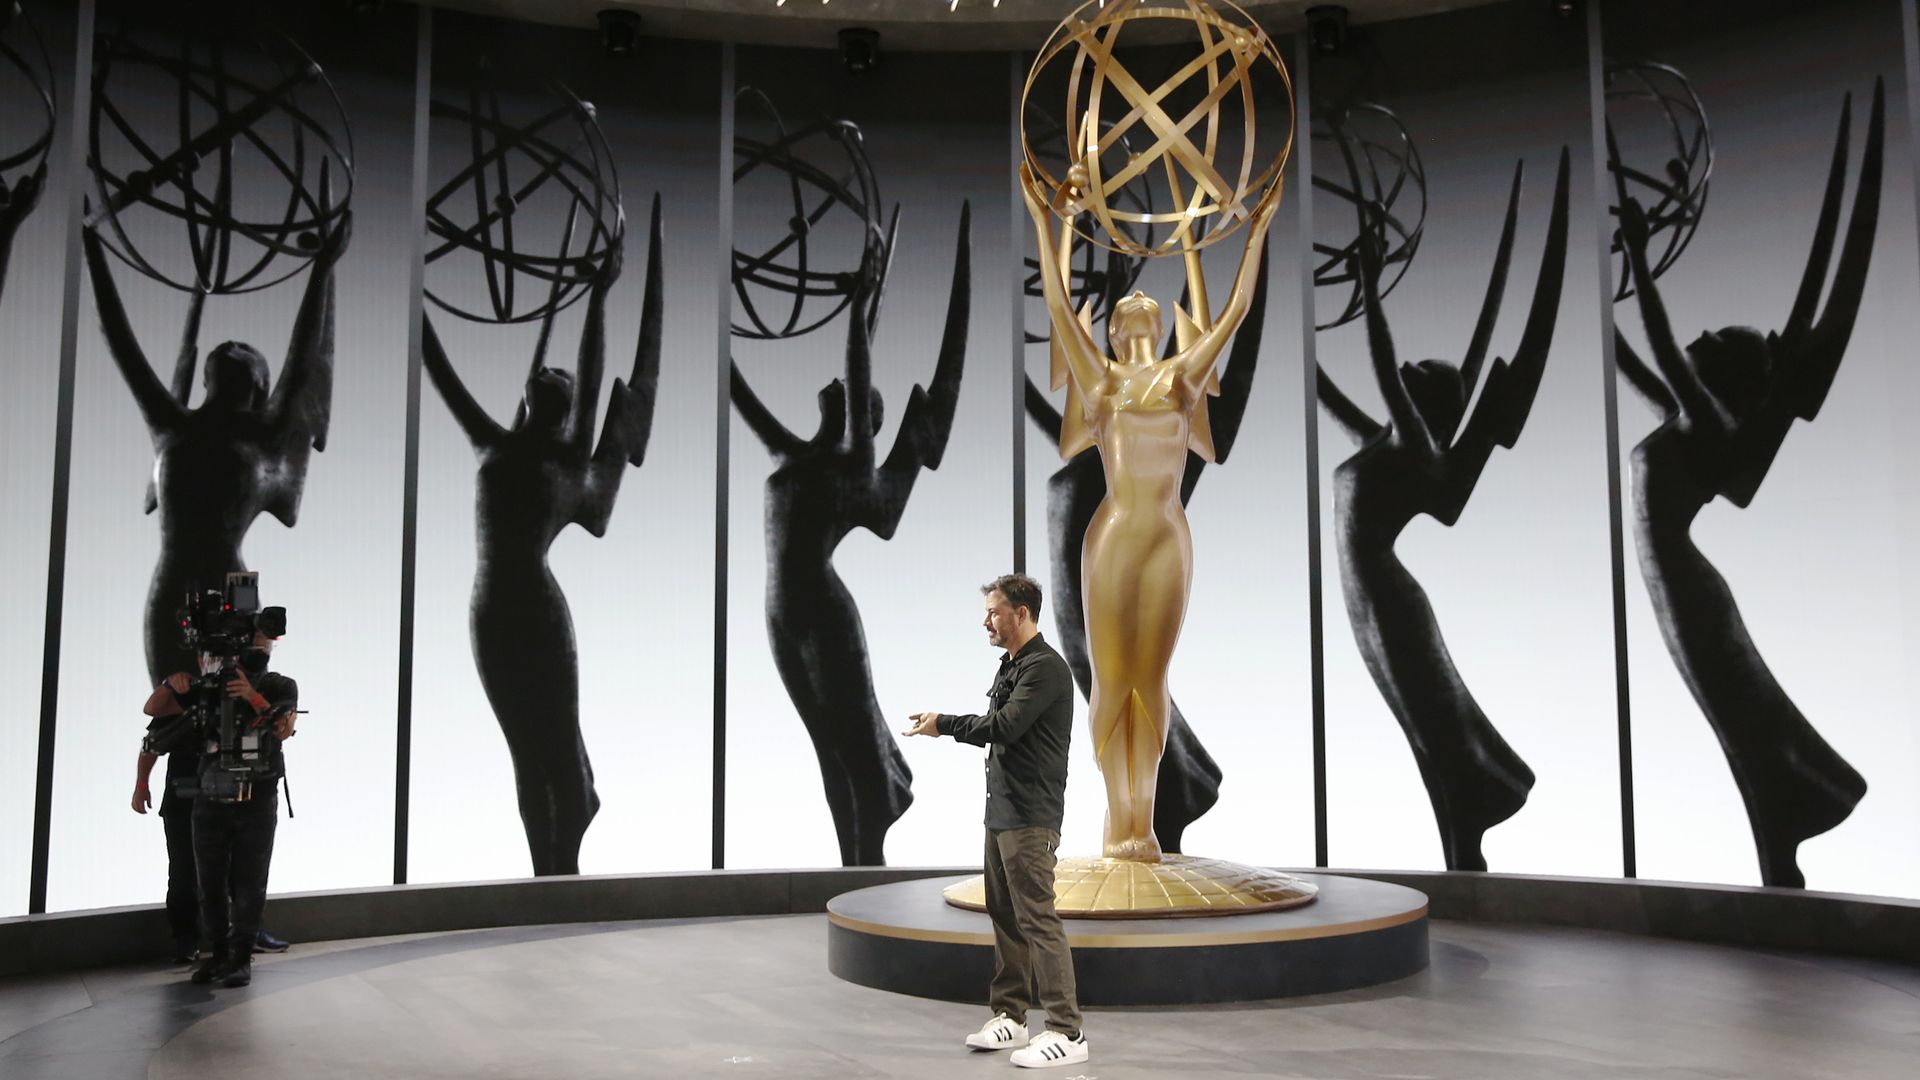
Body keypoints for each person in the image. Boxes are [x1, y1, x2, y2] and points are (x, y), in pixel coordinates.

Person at [905, 573, 1087, 1070]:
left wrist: (944, 724)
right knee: (1004, 915)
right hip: (1002, 813)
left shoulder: (1046, 669)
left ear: (1021, 613)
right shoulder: (1011, 665)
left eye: (993, 610)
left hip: (1031, 816)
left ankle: (1067, 1032)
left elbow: (1004, 727)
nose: (986, 619)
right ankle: (1011, 1014)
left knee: (1037, 919)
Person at [143, 628, 297, 988]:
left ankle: (241, 958)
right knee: (208, 880)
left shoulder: (280, 686)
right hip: (210, 794)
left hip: (258, 796)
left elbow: (282, 729)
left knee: (249, 879)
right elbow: (154, 709)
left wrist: (251, 695)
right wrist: (172, 683)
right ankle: (219, 955)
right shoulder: (209, 688)